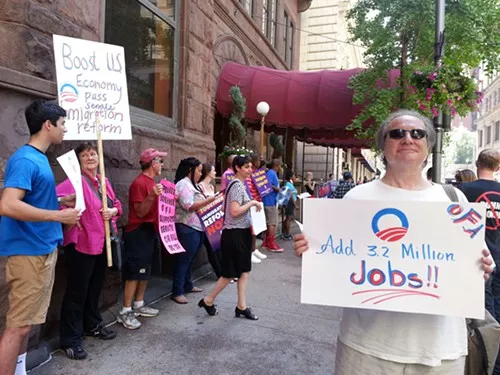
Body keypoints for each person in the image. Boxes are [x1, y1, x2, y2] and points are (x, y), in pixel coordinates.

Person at [294, 109, 494, 375]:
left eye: (417, 133)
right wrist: (313, 252)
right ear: (383, 146)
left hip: (440, 351)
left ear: (428, 145)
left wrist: (482, 268)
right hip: (366, 349)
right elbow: (335, 260)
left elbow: (475, 264)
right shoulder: (356, 199)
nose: (408, 138)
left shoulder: (454, 199)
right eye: (397, 133)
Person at [0, 100, 81, 375]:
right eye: (62, 124)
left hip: (42, 251)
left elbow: (32, 198)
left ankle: (19, 370)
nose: (65, 130)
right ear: (48, 125)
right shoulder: (25, 159)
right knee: (18, 326)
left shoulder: (38, 159)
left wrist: (59, 199)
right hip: (29, 254)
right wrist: (59, 216)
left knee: (27, 324)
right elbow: (8, 205)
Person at [56, 142, 121, 360]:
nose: (90, 157)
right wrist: (69, 213)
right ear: (79, 160)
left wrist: (112, 210)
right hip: (82, 244)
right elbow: (54, 202)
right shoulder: (74, 182)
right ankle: (69, 339)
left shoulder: (105, 182)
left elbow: (118, 205)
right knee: (77, 292)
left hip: (102, 244)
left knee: (94, 288)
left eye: (93, 153)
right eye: (85, 155)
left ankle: (92, 324)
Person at [198, 155, 262, 320]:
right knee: (229, 274)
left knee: (244, 271)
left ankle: (241, 306)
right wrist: (252, 203)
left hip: (240, 233)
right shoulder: (236, 186)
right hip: (234, 234)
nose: (250, 170)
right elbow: (234, 211)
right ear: (238, 168)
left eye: (250, 167)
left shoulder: (239, 185)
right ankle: (208, 300)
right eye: (247, 167)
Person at [118, 148, 166, 330]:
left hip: (148, 230)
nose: (162, 165)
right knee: (134, 272)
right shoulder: (139, 183)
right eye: (160, 161)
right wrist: (152, 195)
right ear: (152, 163)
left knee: (145, 270)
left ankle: (138, 304)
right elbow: (140, 211)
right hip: (138, 231)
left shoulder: (151, 182)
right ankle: (126, 310)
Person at [171, 157, 217, 304]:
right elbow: (188, 205)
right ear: (190, 171)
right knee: (184, 259)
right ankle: (177, 291)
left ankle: (187, 284)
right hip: (186, 227)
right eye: (198, 171)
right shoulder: (183, 184)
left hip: (197, 227)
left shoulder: (192, 184)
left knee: (190, 259)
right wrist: (209, 200)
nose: (200, 174)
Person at [198, 162, 223, 278]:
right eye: (213, 170)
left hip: (214, 221)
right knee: (211, 249)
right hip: (204, 222)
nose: (215, 172)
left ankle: (224, 271)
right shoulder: (200, 186)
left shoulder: (212, 186)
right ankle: (219, 273)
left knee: (219, 247)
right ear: (207, 172)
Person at [248, 153, 267, 263]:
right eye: (259, 160)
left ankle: (254, 249)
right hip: (252, 204)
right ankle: (250, 251)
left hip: (258, 202)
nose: (260, 162)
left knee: (257, 228)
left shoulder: (258, 173)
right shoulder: (251, 174)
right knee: (252, 229)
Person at [261, 159, 284, 253]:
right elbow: (268, 184)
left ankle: (266, 242)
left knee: (269, 222)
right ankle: (271, 243)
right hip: (269, 201)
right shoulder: (271, 173)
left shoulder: (270, 173)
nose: (280, 168)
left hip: (270, 201)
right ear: (277, 165)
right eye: (280, 166)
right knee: (272, 223)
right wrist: (277, 189)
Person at [281, 169, 298, 240]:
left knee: (288, 218)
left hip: (290, 202)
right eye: (294, 175)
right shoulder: (288, 184)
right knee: (289, 218)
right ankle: (286, 234)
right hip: (290, 202)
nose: (295, 177)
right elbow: (290, 195)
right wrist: (295, 204)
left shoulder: (290, 183)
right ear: (291, 176)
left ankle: (285, 232)